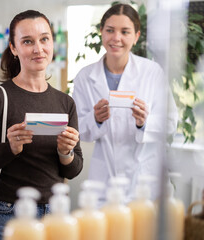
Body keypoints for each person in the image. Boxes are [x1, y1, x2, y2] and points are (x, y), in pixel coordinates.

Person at [0, 10, 83, 240]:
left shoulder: (65, 102)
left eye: (44, 39)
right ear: (14, 48)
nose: (38, 49)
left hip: (55, 214)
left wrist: (65, 152)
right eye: (27, 41)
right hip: (8, 213)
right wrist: (9, 148)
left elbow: (73, 168)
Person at [72, 3, 178, 203]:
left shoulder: (152, 72)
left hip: (145, 181)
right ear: (101, 32)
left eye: (125, 31)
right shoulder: (85, 77)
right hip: (104, 184)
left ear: (136, 36)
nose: (116, 38)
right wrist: (96, 120)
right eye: (110, 30)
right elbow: (77, 129)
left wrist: (144, 122)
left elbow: (171, 121)